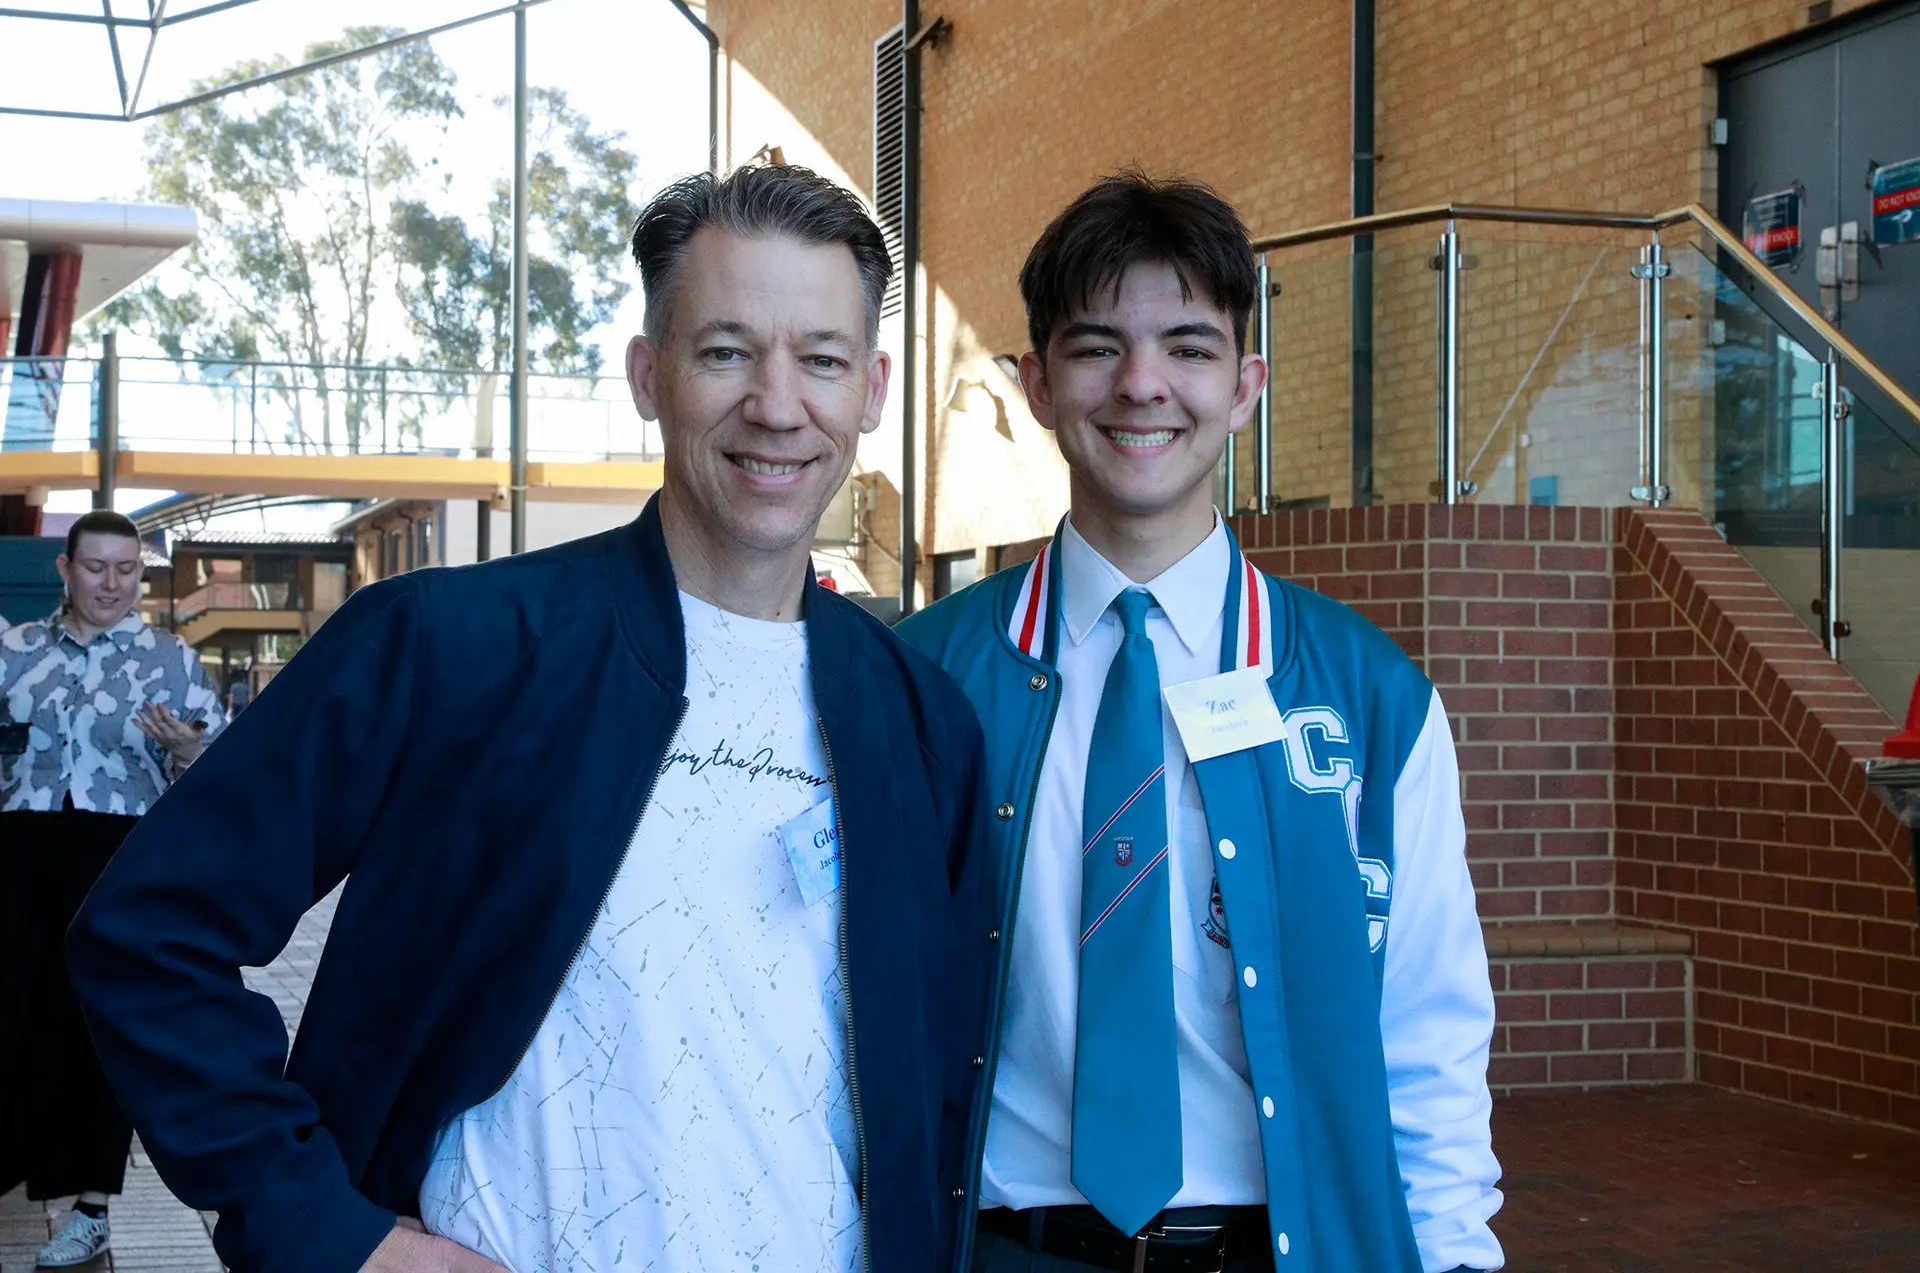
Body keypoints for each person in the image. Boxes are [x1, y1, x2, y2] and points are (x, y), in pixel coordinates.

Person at [67, 164, 992, 1273]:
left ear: (874, 390)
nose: (778, 404)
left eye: (823, 360)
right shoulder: (450, 648)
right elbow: (149, 933)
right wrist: (324, 1229)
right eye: (726, 351)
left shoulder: (919, 723)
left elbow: (938, 1084)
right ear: (648, 374)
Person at [898, 172, 1504, 1273]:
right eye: (1096, 347)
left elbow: (1429, 1034)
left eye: (1188, 347)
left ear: (1244, 386)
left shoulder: (1369, 695)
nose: (1142, 385)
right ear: (1037, 384)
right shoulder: (926, 680)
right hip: (1001, 1250)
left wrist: (1456, 1256)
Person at [1, 510, 224, 1268]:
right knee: (13, 1017)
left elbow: (224, 769)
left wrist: (188, 751)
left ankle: (90, 1207)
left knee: (98, 1026)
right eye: (95, 568)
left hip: (119, 859)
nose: (111, 584)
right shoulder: (14, 652)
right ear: (65, 570)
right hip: (19, 855)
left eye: (126, 570)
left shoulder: (171, 660)